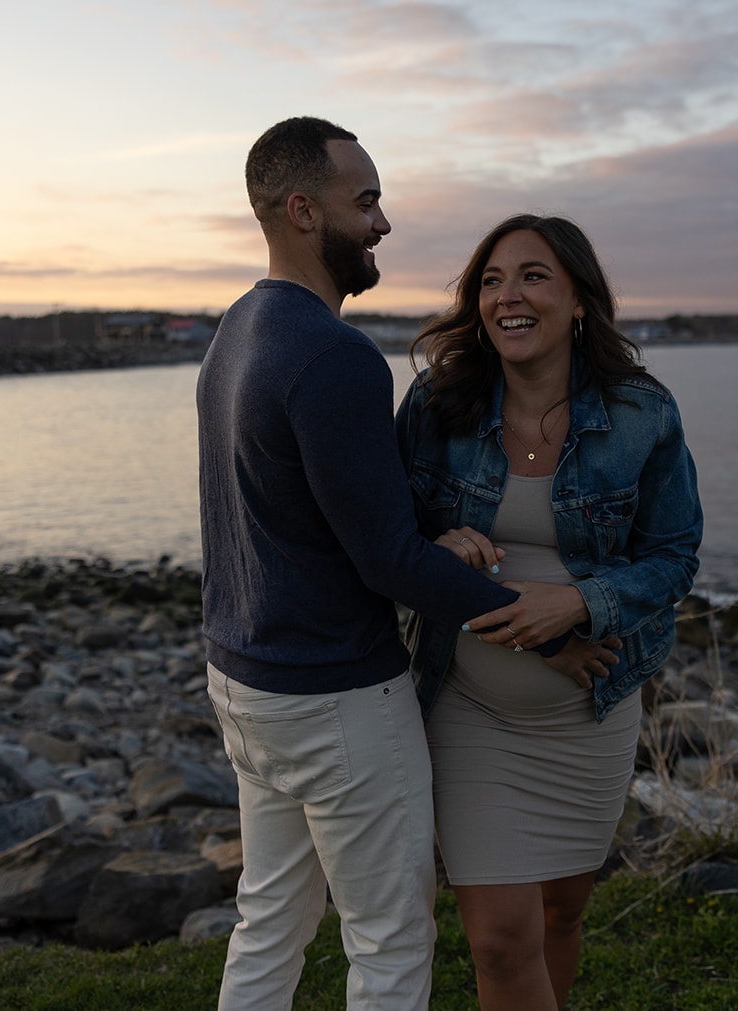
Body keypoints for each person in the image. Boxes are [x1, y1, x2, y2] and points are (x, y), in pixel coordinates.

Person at [197, 120, 611, 1010]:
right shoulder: (334, 353)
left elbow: (325, 506)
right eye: (368, 202)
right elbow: (383, 557)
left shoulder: (238, 329)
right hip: (334, 698)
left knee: (268, 919)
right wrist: (546, 639)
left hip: (244, 682)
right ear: (304, 212)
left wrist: (426, 535)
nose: (383, 224)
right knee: (389, 940)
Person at [395, 214, 704, 1010]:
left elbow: (674, 558)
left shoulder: (641, 413)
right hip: (471, 707)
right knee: (500, 940)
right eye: (492, 281)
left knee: (563, 911)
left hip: (592, 711)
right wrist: (440, 540)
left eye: (533, 276)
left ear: (577, 302)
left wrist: (578, 604)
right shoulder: (439, 403)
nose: (509, 296)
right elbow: (387, 536)